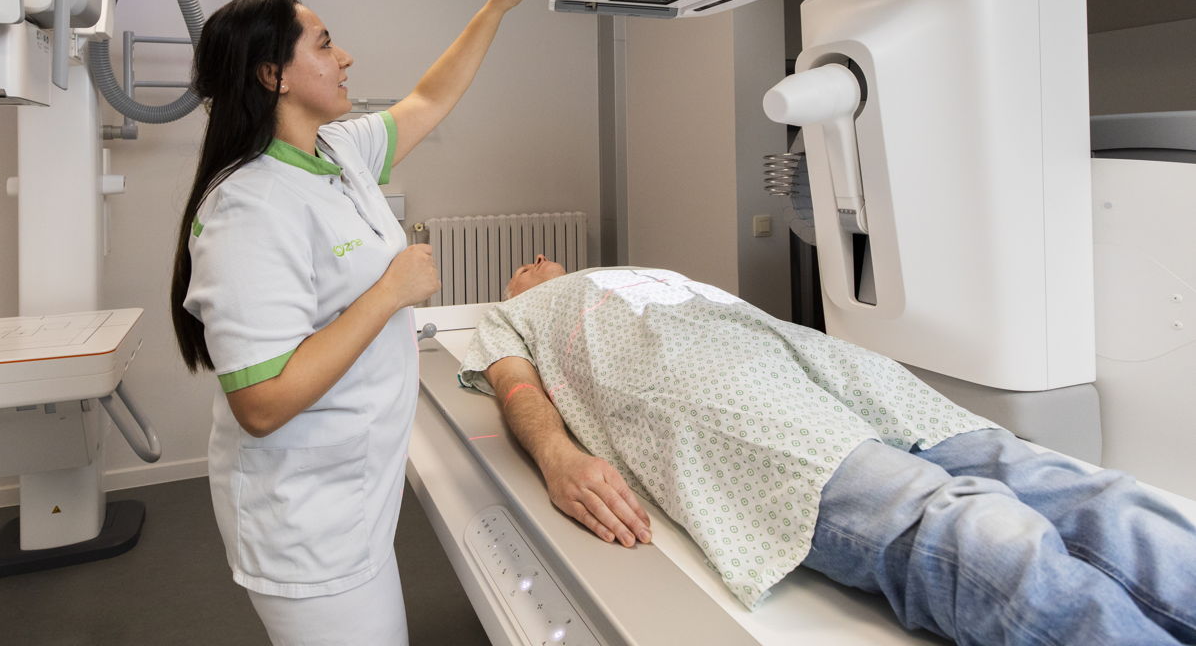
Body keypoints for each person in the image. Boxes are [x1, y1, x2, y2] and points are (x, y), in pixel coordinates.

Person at [459, 258, 1196, 646]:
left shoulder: (648, 269)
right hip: (718, 398)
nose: (540, 261)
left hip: (823, 367)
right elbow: (517, 390)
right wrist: (558, 457)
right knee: (972, 528)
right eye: (528, 264)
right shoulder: (516, 312)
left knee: (1070, 487)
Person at [168, 0, 551, 646]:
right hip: (305, 517)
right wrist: (390, 292)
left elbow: (429, 100)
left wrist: (497, 6)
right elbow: (261, 402)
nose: (345, 57)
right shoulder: (248, 207)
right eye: (323, 44)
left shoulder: (336, 152)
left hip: (353, 490)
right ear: (272, 75)